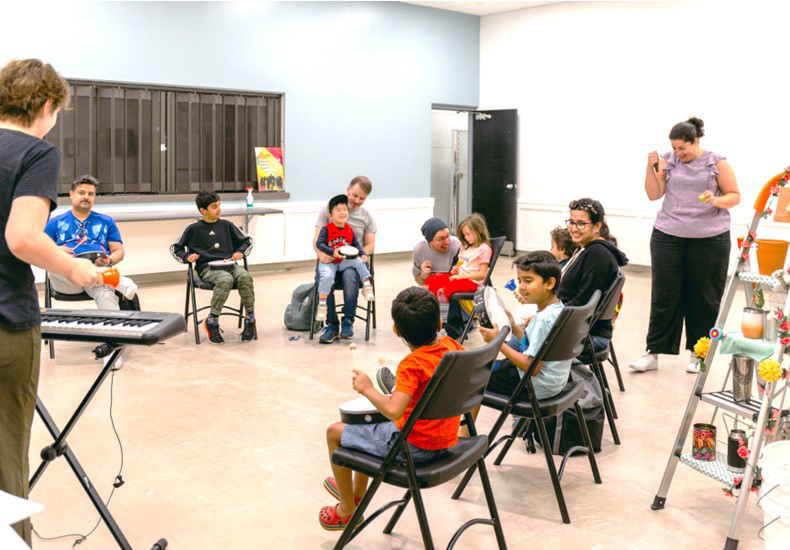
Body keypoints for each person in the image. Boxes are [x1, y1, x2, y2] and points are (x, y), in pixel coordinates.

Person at [0, 58, 100, 547]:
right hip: (5, 324)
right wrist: (74, 268)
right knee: (4, 459)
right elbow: (21, 237)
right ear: (45, 105)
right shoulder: (36, 152)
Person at [319, 287, 464, 531]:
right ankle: (355, 494)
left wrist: (368, 389)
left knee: (335, 432)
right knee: (364, 424)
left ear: (397, 330)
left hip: (416, 447)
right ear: (439, 322)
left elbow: (394, 411)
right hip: (447, 439)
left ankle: (346, 510)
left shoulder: (413, 364)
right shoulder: (452, 347)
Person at [630, 117, 739, 373]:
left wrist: (715, 200)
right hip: (668, 234)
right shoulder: (668, 159)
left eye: (683, 148)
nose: (679, 153)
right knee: (664, 294)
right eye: (675, 148)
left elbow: (734, 196)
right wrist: (650, 167)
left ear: (696, 141)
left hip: (710, 238)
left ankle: (698, 354)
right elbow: (654, 194)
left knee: (703, 297)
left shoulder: (717, 162)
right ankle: (653, 353)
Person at [461, 252, 570, 435]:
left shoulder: (542, 319)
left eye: (528, 280)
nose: (521, 287)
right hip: (553, 381)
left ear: (550, 283)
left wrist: (498, 342)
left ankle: (463, 437)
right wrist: (514, 327)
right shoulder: (559, 310)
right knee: (481, 366)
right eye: (519, 280)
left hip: (533, 386)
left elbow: (531, 366)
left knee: (473, 373)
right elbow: (537, 345)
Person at [171, 191, 256, 344]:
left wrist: (239, 252)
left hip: (230, 265)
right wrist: (186, 257)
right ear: (203, 210)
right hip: (207, 268)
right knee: (225, 279)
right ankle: (212, 322)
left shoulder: (227, 225)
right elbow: (175, 248)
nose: (219, 209)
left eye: (219, 205)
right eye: (214, 207)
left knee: (244, 276)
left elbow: (248, 241)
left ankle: (250, 319)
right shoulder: (193, 228)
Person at [44, 175, 138, 309]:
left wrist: (109, 260)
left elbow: (119, 251)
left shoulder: (106, 221)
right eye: (81, 193)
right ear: (71, 194)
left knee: (106, 295)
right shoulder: (55, 222)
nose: (86, 197)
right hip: (66, 280)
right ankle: (116, 280)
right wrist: (57, 250)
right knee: (57, 264)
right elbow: (41, 248)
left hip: (95, 277)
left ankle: (112, 328)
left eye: (90, 194)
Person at [557, 198, 628, 355]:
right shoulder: (588, 249)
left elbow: (583, 302)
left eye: (581, 223)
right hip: (580, 329)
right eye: (571, 222)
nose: (574, 228)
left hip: (585, 335)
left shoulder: (597, 254)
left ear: (597, 226)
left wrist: (548, 316)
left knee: (516, 340)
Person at [313, 176, 376, 343]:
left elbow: (370, 246)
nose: (356, 200)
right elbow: (317, 240)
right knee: (326, 277)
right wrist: (323, 256)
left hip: (351, 262)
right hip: (330, 258)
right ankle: (331, 324)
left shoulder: (366, 217)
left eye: (362, 198)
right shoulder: (330, 209)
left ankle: (348, 321)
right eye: (355, 195)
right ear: (348, 189)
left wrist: (358, 254)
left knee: (349, 276)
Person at [411, 217, 465, 339]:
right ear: (429, 240)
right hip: (434, 291)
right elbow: (419, 281)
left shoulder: (456, 246)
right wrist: (424, 275)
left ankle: (450, 329)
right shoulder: (419, 250)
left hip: (452, 290)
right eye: (440, 239)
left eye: (448, 236)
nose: (446, 242)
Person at [422, 213, 492, 299]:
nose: (465, 237)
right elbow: (460, 263)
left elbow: (482, 275)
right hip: (460, 278)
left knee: (446, 287)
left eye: (468, 234)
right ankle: (425, 301)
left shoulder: (484, 249)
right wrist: (456, 269)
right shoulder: (464, 247)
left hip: (473, 283)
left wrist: (460, 276)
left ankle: (441, 308)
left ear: (478, 231)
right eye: (464, 235)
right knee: (432, 279)